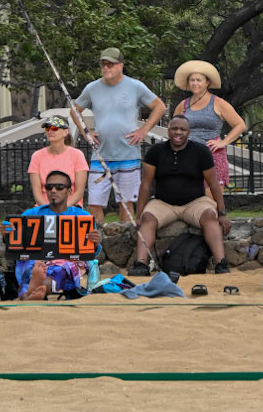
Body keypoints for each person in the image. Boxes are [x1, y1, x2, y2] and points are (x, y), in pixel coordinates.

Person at [74, 49, 166, 225]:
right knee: (94, 203)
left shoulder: (135, 86)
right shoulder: (92, 88)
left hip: (128, 156)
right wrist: (86, 131)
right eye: (103, 64)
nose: (106, 67)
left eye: (110, 64)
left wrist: (144, 130)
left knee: (126, 203)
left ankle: (124, 241)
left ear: (121, 65)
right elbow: (75, 110)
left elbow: (159, 107)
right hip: (100, 156)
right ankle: (97, 243)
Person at [132, 113, 231, 275]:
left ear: (189, 132)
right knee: (148, 219)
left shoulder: (201, 152)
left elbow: (214, 183)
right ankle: (141, 264)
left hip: (195, 201)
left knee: (209, 216)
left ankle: (221, 262)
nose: (178, 132)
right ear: (168, 131)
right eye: (174, 128)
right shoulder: (155, 152)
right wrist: (139, 214)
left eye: (182, 129)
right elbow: (146, 185)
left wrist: (222, 212)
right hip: (163, 202)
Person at [13, 171, 97, 300]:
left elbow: (92, 252)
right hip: (38, 259)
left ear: (69, 191)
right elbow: (16, 243)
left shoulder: (83, 216)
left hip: (68, 259)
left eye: (59, 187)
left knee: (65, 267)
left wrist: (95, 242)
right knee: (29, 262)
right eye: (49, 187)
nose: (53, 190)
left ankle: (33, 291)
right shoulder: (31, 214)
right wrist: (7, 234)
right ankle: (34, 290)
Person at [172, 62, 246, 193]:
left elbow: (240, 125)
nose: (195, 83)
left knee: (212, 203)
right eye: (192, 80)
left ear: (207, 82)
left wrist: (223, 142)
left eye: (199, 80)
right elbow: (173, 128)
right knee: (190, 202)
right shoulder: (183, 105)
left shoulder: (218, 103)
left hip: (212, 156)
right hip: (188, 157)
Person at [28, 110, 89, 206]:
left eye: (54, 128)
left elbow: (79, 192)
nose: (50, 131)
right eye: (48, 128)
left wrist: (62, 209)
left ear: (65, 132)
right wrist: (49, 210)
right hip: (44, 208)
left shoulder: (77, 155)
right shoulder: (37, 156)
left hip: (71, 207)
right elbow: (37, 193)